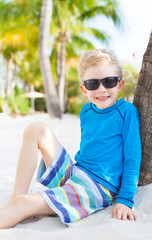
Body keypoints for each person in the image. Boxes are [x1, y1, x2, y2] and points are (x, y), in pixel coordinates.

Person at [0, 49, 141, 229]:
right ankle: (15, 197)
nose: (102, 89)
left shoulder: (126, 111)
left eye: (109, 81)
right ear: (83, 88)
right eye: (92, 84)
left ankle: (19, 205)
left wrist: (125, 199)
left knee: (25, 204)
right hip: (76, 174)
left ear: (120, 84)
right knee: (36, 129)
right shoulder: (86, 112)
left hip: (98, 187)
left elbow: (133, 157)